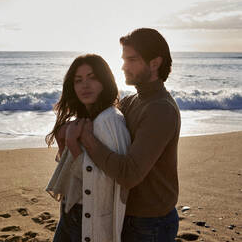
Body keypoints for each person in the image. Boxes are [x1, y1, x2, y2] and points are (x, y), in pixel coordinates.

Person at [67, 28, 181, 241]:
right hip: (128, 214)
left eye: (131, 59)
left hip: (150, 222)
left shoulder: (160, 109)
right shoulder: (132, 101)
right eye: (123, 59)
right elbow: (100, 117)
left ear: (154, 63)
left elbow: (129, 174)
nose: (123, 66)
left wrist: (88, 140)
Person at [45, 54, 131, 242]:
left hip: (87, 218)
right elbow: (72, 176)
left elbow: (107, 183)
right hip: (72, 211)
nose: (85, 85)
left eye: (92, 77)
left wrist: (73, 144)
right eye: (78, 80)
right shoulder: (86, 119)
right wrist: (64, 142)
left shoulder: (109, 120)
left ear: (105, 81)